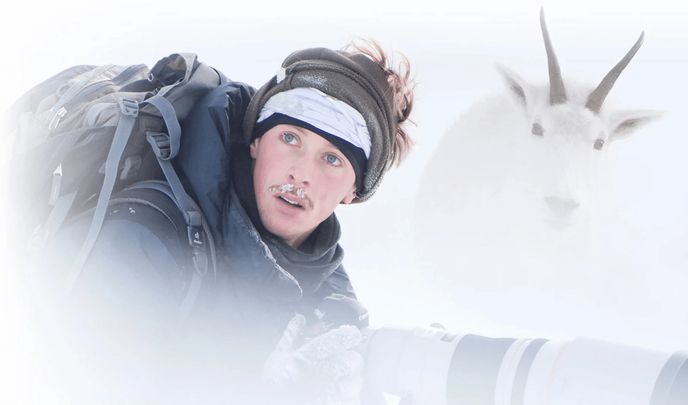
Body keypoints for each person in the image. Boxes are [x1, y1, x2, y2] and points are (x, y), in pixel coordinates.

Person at [31, 39, 415, 404]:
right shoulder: (142, 237)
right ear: (255, 142)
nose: (301, 174)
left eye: (332, 159)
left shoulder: (329, 295)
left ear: (354, 192)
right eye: (290, 138)